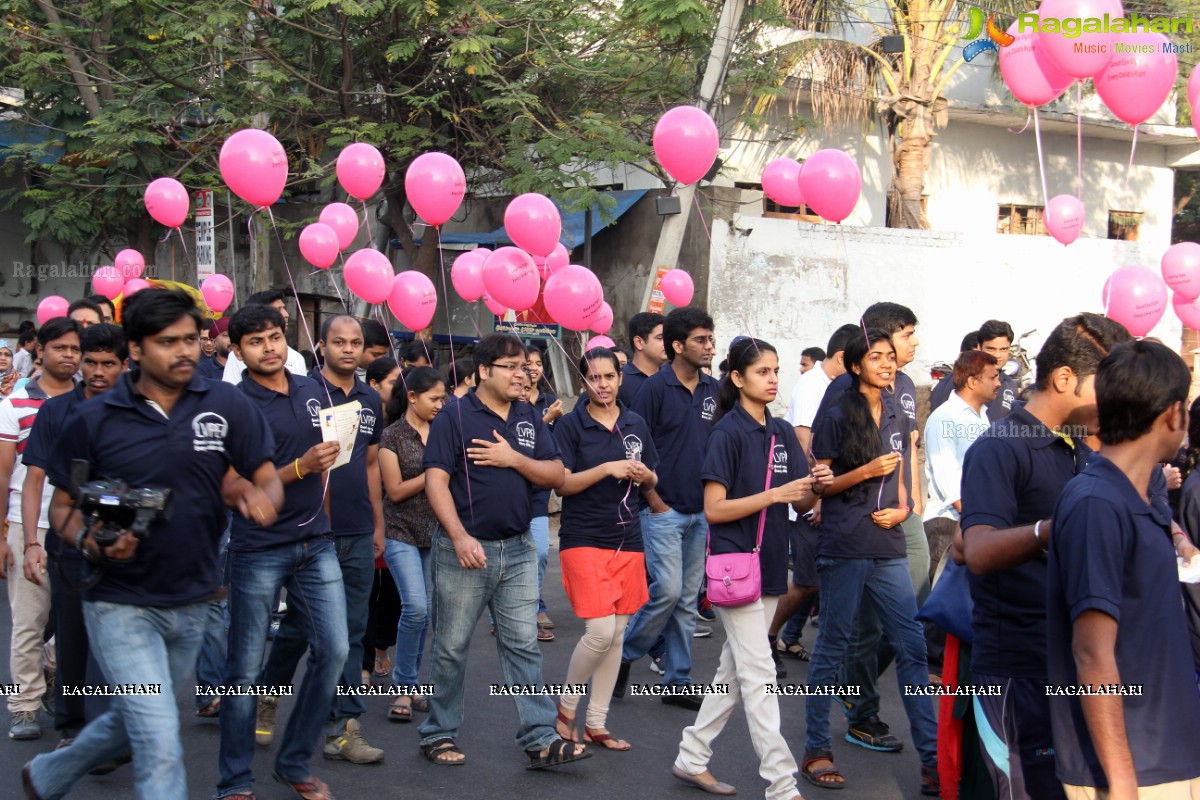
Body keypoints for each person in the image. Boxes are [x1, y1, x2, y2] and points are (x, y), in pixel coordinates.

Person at [22, 288, 282, 800]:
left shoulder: (226, 403)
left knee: (136, 716)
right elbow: (62, 510)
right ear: (136, 350)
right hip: (119, 603)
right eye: (168, 342)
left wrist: (260, 496)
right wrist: (92, 541)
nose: (184, 351)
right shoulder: (91, 421)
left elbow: (264, 474)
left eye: (191, 339)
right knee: (161, 734)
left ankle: (49, 774)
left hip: (193, 599)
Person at [960, 313, 1133, 800]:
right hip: (1015, 670)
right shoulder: (999, 448)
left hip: (1069, 664)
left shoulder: (1079, 448)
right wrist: (1048, 531)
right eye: (1109, 385)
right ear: (1063, 379)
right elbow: (976, 550)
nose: (1118, 400)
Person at [418, 333, 588, 769]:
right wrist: (458, 537)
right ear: (483, 371)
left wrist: (514, 459)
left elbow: (555, 473)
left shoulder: (529, 415)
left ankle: (539, 736)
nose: (523, 373)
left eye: (526, 366)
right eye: (511, 366)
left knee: (523, 645)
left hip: (517, 550)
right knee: (452, 647)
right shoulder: (453, 417)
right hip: (464, 552)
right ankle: (437, 732)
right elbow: (436, 481)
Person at [674, 337, 831, 799]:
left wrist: (815, 487)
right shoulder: (726, 433)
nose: (773, 379)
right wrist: (774, 496)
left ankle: (692, 755)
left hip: (767, 565)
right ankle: (782, 786)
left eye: (776, 371)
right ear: (738, 379)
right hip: (732, 567)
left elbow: (800, 497)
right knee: (760, 677)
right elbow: (714, 509)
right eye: (762, 371)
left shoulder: (781, 430)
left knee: (733, 672)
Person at [1046, 340, 1200, 800]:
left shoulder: (1134, 497)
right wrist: (1122, 782)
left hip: (1164, 751)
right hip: (1137, 768)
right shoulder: (1098, 503)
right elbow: (1092, 653)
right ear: (1173, 414)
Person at [217, 304, 347, 800]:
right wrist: (300, 468)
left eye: (274, 337)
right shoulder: (233, 403)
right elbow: (233, 481)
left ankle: (292, 761)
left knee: (333, 650)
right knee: (244, 670)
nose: (269, 348)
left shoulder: (310, 388)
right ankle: (233, 780)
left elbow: (330, 459)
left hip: (316, 542)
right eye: (256, 342)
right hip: (258, 546)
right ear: (238, 351)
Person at [804, 328, 939, 796]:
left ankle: (933, 760)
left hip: (889, 544)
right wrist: (862, 472)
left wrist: (904, 508)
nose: (887, 364)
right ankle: (816, 748)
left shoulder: (899, 413)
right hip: (845, 542)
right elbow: (819, 486)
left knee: (913, 646)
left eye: (890, 357)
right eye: (876, 357)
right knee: (833, 645)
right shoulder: (838, 413)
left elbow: (900, 473)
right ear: (857, 365)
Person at [257, 315, 387, 765]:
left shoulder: (372, 398)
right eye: (339, 342)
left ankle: (342, 729)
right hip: (312, 532)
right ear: (322, 345)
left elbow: (370, 465)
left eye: (356, 343)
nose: (349, 350)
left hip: (357, 530)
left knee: (350, 632)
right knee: (297, 627)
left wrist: (378, 525)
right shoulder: (301, 392)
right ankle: (268, 694)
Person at [20, 324, 125, 748]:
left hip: (124, 544)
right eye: (90, 361)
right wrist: (29, 543)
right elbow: (35, 480)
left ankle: (117, 727)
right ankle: (72, 727)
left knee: (123, 639)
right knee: (73, 637)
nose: (97, 371)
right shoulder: (56, 412)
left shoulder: (139, 412)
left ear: (124, 364)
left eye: (108, 363)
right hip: (68, 542)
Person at [613, 306, 719, 709]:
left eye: (711, 338)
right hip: (662, 509)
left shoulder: (713, 390)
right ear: (678, 346)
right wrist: (653, 501)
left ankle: (677, 680)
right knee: (668, 592)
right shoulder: (653, 390)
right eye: (701, 340)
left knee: (687, 600)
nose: (709, 346)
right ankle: (622, 654)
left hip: (701, 511)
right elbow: (634, 449)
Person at [553, 347, 658, 751]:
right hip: (583, 537)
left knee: (616, 635)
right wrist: (605, 468)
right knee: (598, 632)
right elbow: (562, 484)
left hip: (628, 538)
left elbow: (651, 478)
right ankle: (565, 711)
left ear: (620, 378)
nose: (602, 385)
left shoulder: (636, 423)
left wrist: (647, 475)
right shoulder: (570, 426)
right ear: (584, 382)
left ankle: (597, 723)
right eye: (593, 378)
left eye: (609, 377)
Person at [0, 317, 81, 740]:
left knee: (71, 623)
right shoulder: (14, 403)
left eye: (74, 349)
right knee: (29, 621)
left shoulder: (91, 400)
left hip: (77, 529)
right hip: (26, 524)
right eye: (60, 348)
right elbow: (4, 475)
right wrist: (4, 535)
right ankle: (24, 706)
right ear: (40, 351)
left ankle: (53, 675)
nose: (68, 355)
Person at [378, 366, 446, 722]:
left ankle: (414, 684)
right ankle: (403, 688)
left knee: (427, 614)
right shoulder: (391, 437)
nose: (440, 404)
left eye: (443, 398)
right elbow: (396, 491)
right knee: (415, 608)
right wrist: (434, 473)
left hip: (436, 532)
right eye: (434, 398)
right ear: (413, 397)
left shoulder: (443, 432)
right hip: (400, 531)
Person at [923, 350, 1000, 584]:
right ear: (973, 381)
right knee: (941, 600)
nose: (998, 383)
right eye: (993, 377)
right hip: (949, 521)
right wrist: (972, 517)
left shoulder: (982, 416)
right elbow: (947, 475)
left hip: (974, 520)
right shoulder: (945, 417)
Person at [524, 345, 563, 636]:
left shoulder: (552, 402)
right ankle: (512, 612)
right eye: (527, 363)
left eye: (538, 363)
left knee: (538, 552)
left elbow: (553, 446)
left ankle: (534, 606)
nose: (533, 368)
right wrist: (545, 419)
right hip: (511, 488)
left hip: (538, 489)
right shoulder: (512, 400)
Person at [930, 322, 1021, 421]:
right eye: (991, 349)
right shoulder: (959, 381)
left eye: (1003, 349)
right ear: (979, 348)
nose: (997, 355)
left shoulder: (1010, 385)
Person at [222, 290, 308, 382]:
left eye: (275, 338)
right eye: (256, 342)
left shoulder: (297, 358)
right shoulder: (235, 357)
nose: (286, 314)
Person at [618, 311, 666, 407]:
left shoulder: (670, 378)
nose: (667, 343)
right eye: (660, 338)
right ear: (639, 342)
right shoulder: (619, 380)